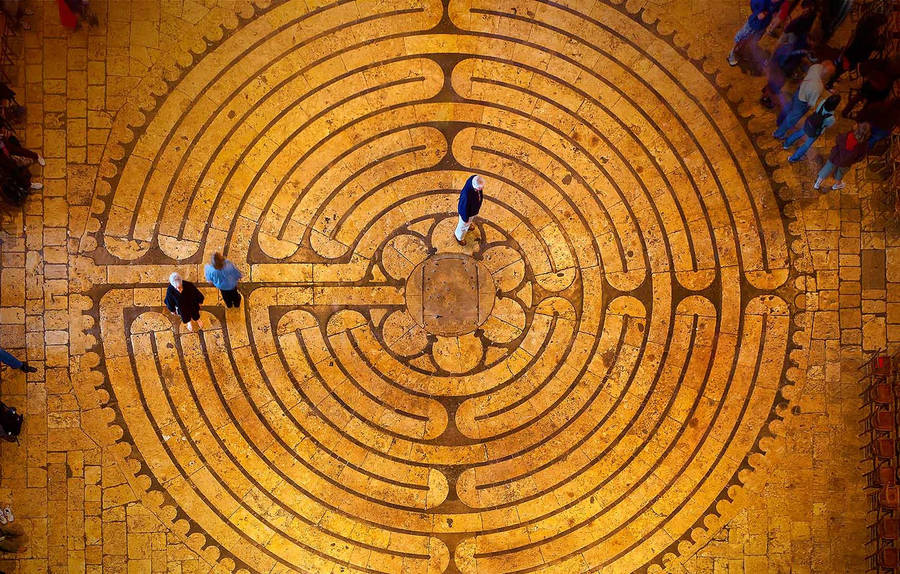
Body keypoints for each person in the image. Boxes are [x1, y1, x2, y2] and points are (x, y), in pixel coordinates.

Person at [774, 60, 834, 139]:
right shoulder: (818, 87)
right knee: (792, 118)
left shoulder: (815, 66)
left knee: (789, 107)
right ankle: (778, 133)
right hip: (802, 102)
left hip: (799, 90)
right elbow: (811, 103)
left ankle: (780, 121)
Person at [828, 12, 886, 89]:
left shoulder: (863, 28)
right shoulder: (872, 38)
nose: (883, 29)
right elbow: (876, 47)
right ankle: (830, 83)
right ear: (877, 26)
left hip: (851, 52)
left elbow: (852, 37)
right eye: (882, 26)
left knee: (843, 66)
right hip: (855, 57)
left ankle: (834, 76)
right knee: (843, 67)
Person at [814, 122, 871, 191]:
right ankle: (837, 185)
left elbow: (838, 139)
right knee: (840, 173)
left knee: (827, 168)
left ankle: (817, 184)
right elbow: (860, 157)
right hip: (846, 162)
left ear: (857, 129)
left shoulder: (848, 135)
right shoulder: (863, 145)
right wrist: (853, 160)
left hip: (835, 157)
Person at [783, 94, 840, 162]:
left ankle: (786, 144)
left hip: (810, 122)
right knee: (807, 145)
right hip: (815, 131)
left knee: (799, 133)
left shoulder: (822, 102)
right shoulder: (831, 118)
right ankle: (793, 158)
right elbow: (828, 126)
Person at [727, 0, 778, 67]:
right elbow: (753, 3)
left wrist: (774, 17)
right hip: (753, 24)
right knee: (741, 37)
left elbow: (775, 10)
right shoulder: (763, 1)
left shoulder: (779, 2)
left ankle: (740, 50)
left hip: (763, 26)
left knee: (752, 39)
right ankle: (732, 54)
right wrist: (758, 13)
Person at [455, 175, 484, 246]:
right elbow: (463, 208)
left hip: (472, 211)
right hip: (466, 214)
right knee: (462, 226)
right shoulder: (466, 196)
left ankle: (468, 224)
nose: (481, 189)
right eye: (479, 189)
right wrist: (465, 219)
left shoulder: (474, 179)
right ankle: (459, 237)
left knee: (468, 222)